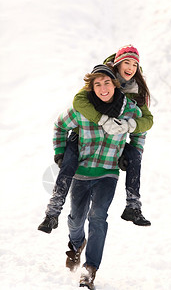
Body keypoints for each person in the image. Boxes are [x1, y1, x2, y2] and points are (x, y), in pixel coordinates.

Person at [38, 44, 153, 234]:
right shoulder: (102, 77)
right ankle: (52, 213)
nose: (131, 68)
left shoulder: (136, 89)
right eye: (127, 62)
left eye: (135, 64)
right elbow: (79, 101)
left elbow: (147, 120)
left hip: (113, 140)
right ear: (117, 64)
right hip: (86, 134)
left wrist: (130, 126)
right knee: (68, 161)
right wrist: (102, 119)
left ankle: (133, 206)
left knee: (135, 155)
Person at [51, 65, 144, 289]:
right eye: (98, 84)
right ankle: (75, 246)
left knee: (98, 217)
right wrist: (60, 153)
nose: (103, 88)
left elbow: (140, 133)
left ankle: (90, 269)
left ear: (115, 84)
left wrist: (132, 155)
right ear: (92, 87)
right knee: (76, 219)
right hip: (81, 173)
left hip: (108, 174)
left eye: (107, 83)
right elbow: (59, 126)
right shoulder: (83, 109)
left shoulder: (130, 110)